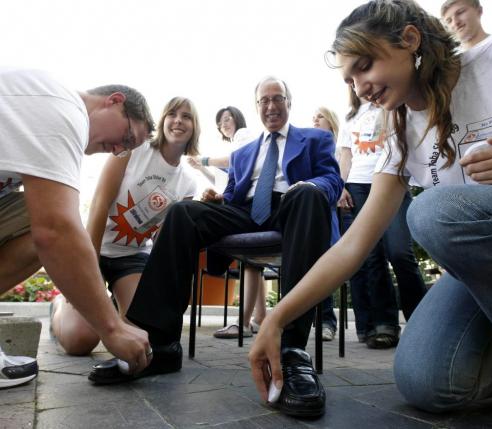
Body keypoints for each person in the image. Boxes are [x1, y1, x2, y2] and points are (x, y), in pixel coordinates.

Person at [249, 0, 492, 415]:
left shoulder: (490, 62)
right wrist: (277, 318)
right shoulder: (398, 136)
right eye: (350, 79)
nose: (360, 86)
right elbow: (352, 246)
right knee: (424, 380)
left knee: (431, 213)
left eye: (364, 66)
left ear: (410, 40)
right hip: (477, 274)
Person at [89, 76, 343, 418]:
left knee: (309, 195)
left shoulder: (316, 138)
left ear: (288, 102)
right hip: (247, 211)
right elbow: (235, 193)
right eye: (264, 100)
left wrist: (308, 186)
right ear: (256, 107)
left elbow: (331, 179)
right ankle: (160, 344)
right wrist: (217, 199)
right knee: (182, 213)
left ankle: (291, 352)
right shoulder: (243, 152)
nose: (271, 105)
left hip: (294, 205)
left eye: (277, 98)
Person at [0, 67, 155, 388]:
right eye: (126, 138)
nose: (117, 150)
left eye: (126, 149)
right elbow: (56, 231)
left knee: (38, 212)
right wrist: (112, 328)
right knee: (51, 220)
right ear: (114, 101)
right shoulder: (64, 110)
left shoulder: (41, 108)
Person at [50, 97, 199, 355]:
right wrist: (90, 264)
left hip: (131, 258)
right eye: (172, 113)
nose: (178, 120)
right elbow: (98, 204)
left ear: (195, 127)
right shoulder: (134, 149)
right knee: (80, 341)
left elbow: (165, 241)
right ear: (163, 120)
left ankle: (110, 306)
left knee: (142, 333)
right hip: (94, 248)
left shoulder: (188, 183)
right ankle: (59, 305)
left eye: (187, 116)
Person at [337, 93, 427, 348]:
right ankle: (384, 325)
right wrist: (340, 186)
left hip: (391, 182)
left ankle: (421, 322)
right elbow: (346, 155)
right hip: (357, 186)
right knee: (371, 258)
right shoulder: (349, 116)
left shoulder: (393, 104)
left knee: (399, 252)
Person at [188, 107, 267, 338]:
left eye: (227, 118)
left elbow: (237, 160)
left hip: (241, 204)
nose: (223, 123)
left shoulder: (244, 135)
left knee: (249, 255)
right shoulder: (227, 145)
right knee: (252, 260)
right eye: (220, 121)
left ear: (237, 119)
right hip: (228, 199)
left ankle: (248, 318)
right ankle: (259, 315)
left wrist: (204, 159)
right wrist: (202, 167)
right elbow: (220, 178)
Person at [312, 107, 341, 342]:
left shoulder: (339, 148)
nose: (315, 120)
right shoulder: (310, 147)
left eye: (319, 116)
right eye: (313, 117)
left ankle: (327, 321)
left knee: (326, 262)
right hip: (315, 209)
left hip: (333, 211)